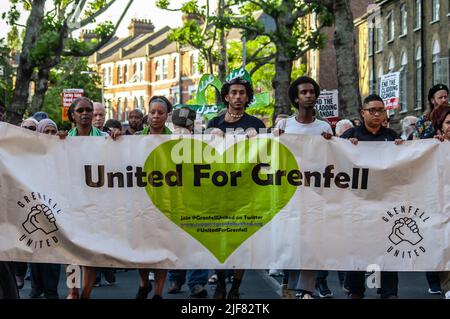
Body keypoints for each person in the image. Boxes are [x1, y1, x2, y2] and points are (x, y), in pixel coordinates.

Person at [206, 77, 266, 299]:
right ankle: (220, 283)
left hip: (246, 192)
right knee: (218, 240)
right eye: (234, 93)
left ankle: (236, 288)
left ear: (248, 97)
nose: (238, 96)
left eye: (242, 93)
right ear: (226, 96)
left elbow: (265, 158)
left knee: (242, 242)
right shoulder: (214, 123)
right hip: (219, 191)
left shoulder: (257, 125)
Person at [274, 76, 333, 299]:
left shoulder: (324, 127)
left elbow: (334, 159)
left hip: (315, 193)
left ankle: (306, 289)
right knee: (290, 240)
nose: (309, 96)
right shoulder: (284, 125)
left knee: (311, 241)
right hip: (289, 193)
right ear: (296, 98)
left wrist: (331, 142)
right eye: (304, 93)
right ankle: (289, 283)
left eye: (312, 92)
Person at [340, 94, 402, 299]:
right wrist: (340, 144)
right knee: (360, 247)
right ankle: (356, 290)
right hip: (358, 204)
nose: (377, 114)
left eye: (381, 110)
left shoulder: (393, 137)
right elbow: (333, 158)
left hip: (386, 203)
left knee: (387, 246)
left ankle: (388, 291)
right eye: (372, 110)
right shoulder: (350, 135)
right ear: (362, 113)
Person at [165, 107, 209, 298]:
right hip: (173, 198)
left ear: (192, 127)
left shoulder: (203, 142)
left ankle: (197, 282)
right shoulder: (162, 143)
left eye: (185, 126)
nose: (181, 130)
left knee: (197, 241)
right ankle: (175, 277)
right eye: (178, 126)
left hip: (197, 198)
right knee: (175, 241)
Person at [134, 95, 171, 299]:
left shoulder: (175, 140)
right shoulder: (134, 138)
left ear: (167, 116)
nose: (156, 116)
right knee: (141, 247)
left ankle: (158, 292)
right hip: (141, 202)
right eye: (153, 112)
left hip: (166, 203)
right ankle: (143, 283)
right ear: (148, 114)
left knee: (161, 248)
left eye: (160, 113)